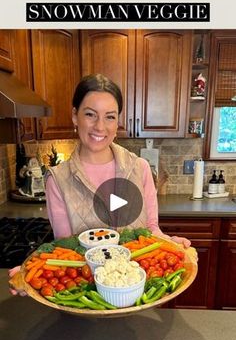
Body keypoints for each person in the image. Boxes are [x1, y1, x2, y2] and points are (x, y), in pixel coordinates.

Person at [9, 73, 190, 296]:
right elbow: (67, 247)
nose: (100, 127)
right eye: (90, 115)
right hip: (86, 296)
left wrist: (172, 244)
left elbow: (151, 230)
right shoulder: (58, 179)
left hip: (136, 293)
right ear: (75, 116)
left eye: (110, 117)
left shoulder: (140, 168)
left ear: (118, 121)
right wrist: (34, 272)